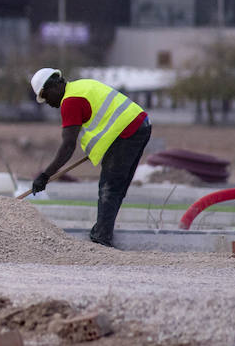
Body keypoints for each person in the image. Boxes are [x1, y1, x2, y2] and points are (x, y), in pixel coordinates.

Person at [29, 67, 151, 248]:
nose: (47, 102)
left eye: (45, 96)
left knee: (109, 187)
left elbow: (68, 145)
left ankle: (102, 237)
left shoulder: (70, 101)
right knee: (116, 187)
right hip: (140, 126)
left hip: (128, 132)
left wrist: (45, 175)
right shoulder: (81, 87)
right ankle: (102, 233)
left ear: (54, 86)